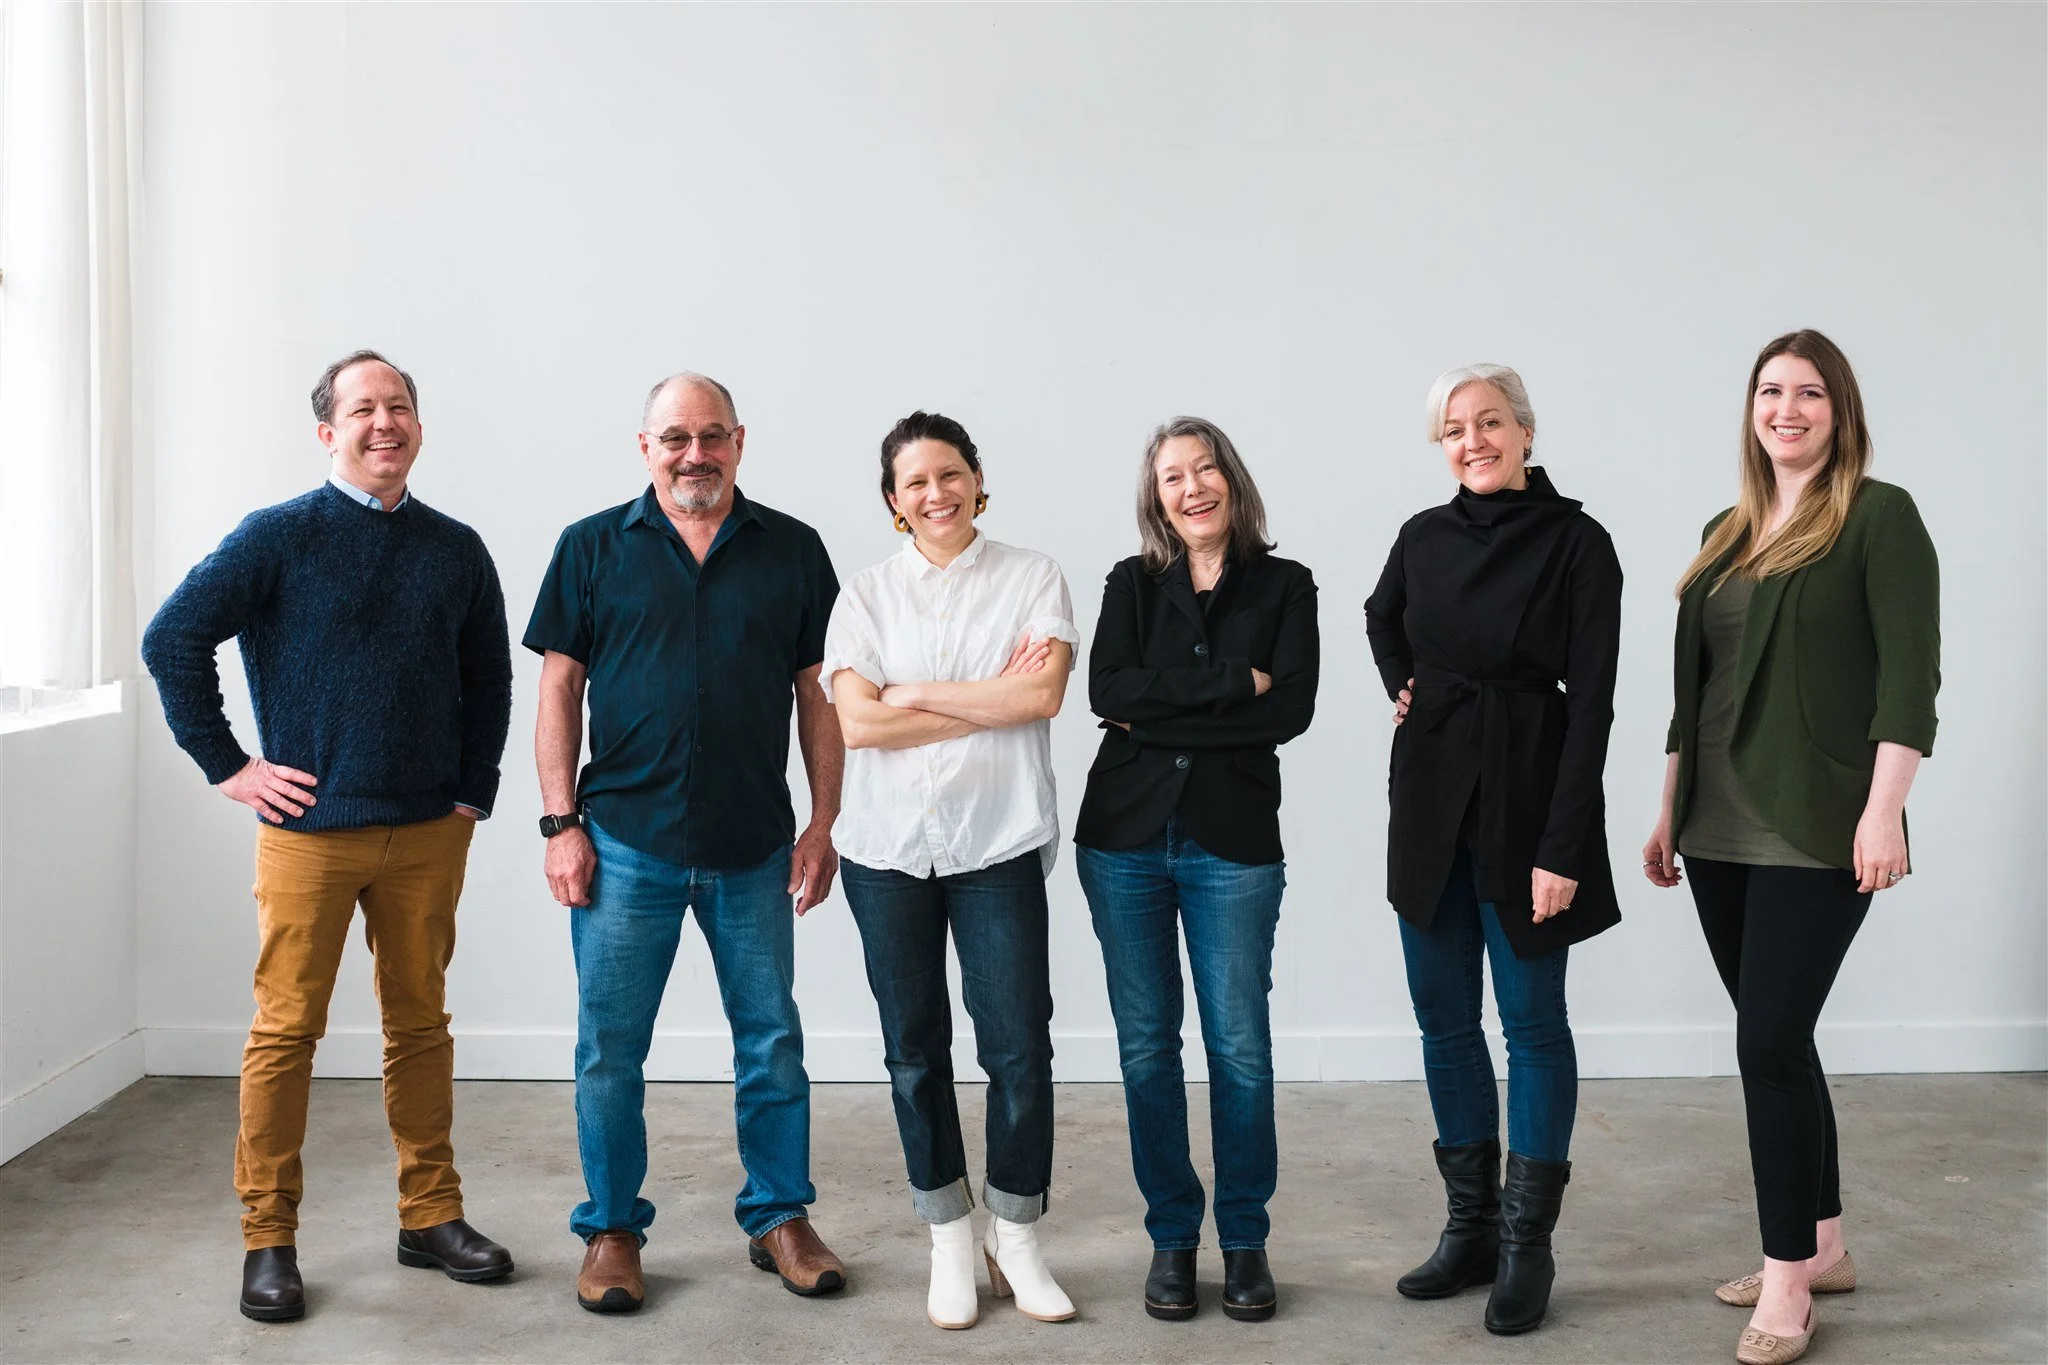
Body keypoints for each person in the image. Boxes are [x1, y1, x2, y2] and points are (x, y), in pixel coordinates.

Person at [141, 349, 515, 1322]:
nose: (383, 423)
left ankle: (429, 1216)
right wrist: (229, 766)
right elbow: (172, 637)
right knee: (286, 1032)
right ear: (327, 432)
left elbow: (490, 680)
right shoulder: (278, 537)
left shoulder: (455, 548)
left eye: (399, 407)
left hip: (428, 831)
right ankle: (268, 1238)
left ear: (419, 427)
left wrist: (473, 789)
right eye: (362, 409)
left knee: (419, 1027)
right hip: (309, 832)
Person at [1642, 330, 1938, 1365]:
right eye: (1770, 391)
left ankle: (1784, 1288)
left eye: (1807, 392)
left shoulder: (1876, 516)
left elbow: (1908, 681)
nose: (1786, 409)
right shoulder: (1721, 533)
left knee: (1764, 1042)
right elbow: (1695, 697)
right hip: (1714, 827)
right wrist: (1666, 805)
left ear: (1837, 408)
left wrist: (1883, 811)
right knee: (1780, 1035)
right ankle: (1822, 1244)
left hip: (1816, 824)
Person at [525, 372, 846, 1314]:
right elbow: (557, 690)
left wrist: (824, 822)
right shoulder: (590, 547)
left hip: (754, 846)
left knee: (772, 1040)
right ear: (645, 447)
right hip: (625, 844)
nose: (694, 454)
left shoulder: (792, 549)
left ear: (740, 441)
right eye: (675, 438)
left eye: (712, 436)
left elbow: (818, 694)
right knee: (609, 1049)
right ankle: (613, 1228)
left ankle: (779, 1213)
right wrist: (560, 823)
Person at [1365, 363, 1622, 1336]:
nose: (1469, 440)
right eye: (1450, 429)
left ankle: (1526, 1244)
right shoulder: (1421, 539)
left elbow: (1590, 705)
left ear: (1522, 430)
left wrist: (1561, 848)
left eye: (1486, 423)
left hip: (1525, 804)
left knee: (1530, 1024)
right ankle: (1467, 1226)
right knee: (1441, 1021)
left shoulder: (1577, 545)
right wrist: (1402, 683)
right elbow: (1379, 615)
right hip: (1429, 799)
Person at [823, 411, 1079, 1330]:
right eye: (915, 483)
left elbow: (1042, 694)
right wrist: (986, 702)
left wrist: (915, 692)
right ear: (894, 502)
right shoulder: (865, 595)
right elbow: (858, 725)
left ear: (978, 478)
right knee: (914, 1050)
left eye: (950, 474)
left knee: (1018, 1045)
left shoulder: (1032, 575)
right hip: (886, 849)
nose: (936, 494)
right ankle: (946, 1232)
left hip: (997, 841)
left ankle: (1017, 1233)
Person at [1074, 417, 1319, 1324]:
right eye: (1172, 476)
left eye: (1204, 468)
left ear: (1232, 480)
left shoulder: (1287, 586)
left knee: (1239, 1049)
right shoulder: (1129, 584)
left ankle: (1245, 1238)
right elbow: (1108, 691)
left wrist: (1166, 707)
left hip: (1233, 843)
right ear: (1157, 497)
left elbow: (1289, 709)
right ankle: (1173, 1236)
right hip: (1124, 841)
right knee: (1146, 1049)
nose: (1191, 487)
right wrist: (1235, 685)